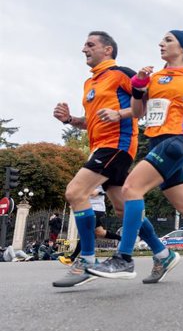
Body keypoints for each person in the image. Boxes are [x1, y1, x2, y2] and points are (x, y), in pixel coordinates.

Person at [86, 29, 183, 280]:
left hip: (177, 142)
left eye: (168, 40)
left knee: (130, 189)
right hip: (156, 144)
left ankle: (123, 259)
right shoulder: (154, 77)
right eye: (162, 40)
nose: (161, 43)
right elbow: (138, 111)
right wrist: (137, 88)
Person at [52, 31, 169, 288]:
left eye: (90, 44)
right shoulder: (89, 84)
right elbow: (91, 121)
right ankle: (163, 253)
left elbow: (150, 104)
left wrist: (119, 114)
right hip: (100, 147)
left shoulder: (121, 73)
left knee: (75, 192)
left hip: (117, 145)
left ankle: (87, 259)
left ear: (108, 50)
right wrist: (71, 120)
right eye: (84, 44)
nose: (84, 48)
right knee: (123, 209)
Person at [58, 186, 122, 265]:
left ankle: (73, 258)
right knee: (100, 232)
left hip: (96, 209)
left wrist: (98, 192)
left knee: (86, 232)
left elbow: (105, 189)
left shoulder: (101, 178)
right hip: (89, 208)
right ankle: (122, 239)